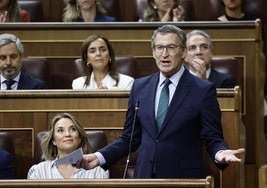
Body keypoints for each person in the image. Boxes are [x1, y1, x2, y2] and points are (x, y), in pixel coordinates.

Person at [76, 24, 245, 178]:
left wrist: (220, 153)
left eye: (171, 47)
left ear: (184, 52)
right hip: (145, 177)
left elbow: (212, 136)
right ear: (153, 52)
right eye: (159, 48)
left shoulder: (203, 90)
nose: (164, 54)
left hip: (183, 178)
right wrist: (99, 157)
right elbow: (129, 138)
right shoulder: (140, 87)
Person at [27, 113, 109, 179]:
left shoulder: (97, 171)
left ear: (79, 138)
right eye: (60, 130)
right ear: (53, 140)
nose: (67, 134)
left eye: (73, 129)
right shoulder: (38, 171)